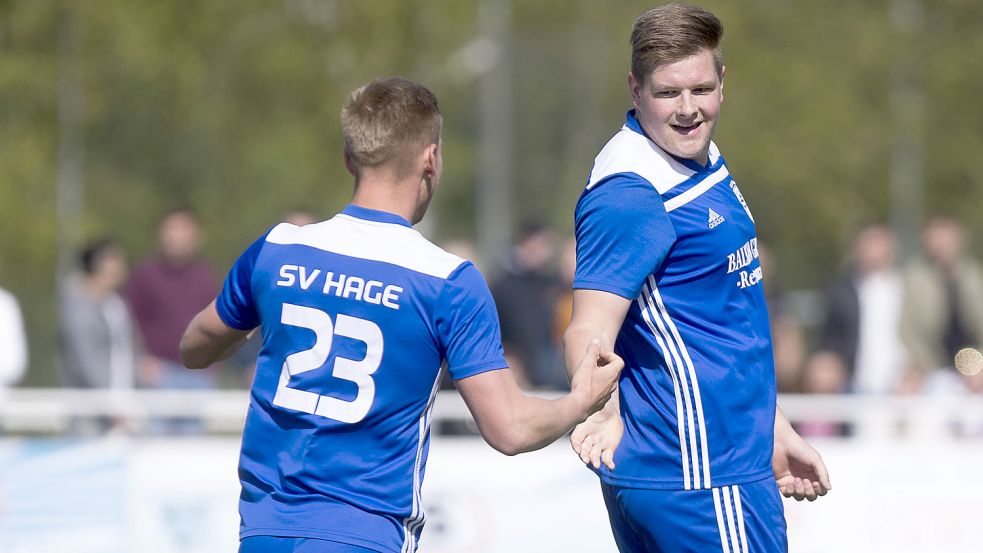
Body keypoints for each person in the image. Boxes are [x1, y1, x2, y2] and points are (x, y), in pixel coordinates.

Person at [179, 77, 623, 553]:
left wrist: (253, 325)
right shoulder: (447, 280)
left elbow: (193, 347)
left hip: (265, 532)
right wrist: (582, 402)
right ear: (430, 159)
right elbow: (510, 429)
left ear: (350, 158)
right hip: (365, 535)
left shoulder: (279, 249)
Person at [561, 5, 830, 552]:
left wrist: (772, 429)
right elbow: (588, 326)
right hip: (700, 477)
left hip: (719, 463)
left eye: (700, 89)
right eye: (667, 93)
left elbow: (719, 320)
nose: (688, 110)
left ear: (722, 82)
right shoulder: (633, 193)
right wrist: (603, 410)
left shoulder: (693, 154)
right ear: (635, 88)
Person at [128, 207, 218, 390]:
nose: (177, 236)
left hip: (199, 373)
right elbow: (129, 322)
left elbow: (218, 322)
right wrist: (141, 359)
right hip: (158, 373)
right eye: (172, 229)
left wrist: (214, 364)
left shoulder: (206, 275)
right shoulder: (146, 274)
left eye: (183, 229)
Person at [59, 239, 140, 434]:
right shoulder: (79, 309)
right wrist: (111, 404)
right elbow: (86, 362)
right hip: (91, 411)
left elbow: (130, 350)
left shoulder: (116, 305)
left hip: (124, 406)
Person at [900, 216, 983, 389]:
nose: (940, 246)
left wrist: (973, 366)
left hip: (972, 368)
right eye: (934, 239)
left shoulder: (975, 277)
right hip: (929, 368)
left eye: (945, 238)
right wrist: (927, 367)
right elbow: (908, 330)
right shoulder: (915, 279)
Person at [491, 220, 567, 390]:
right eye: (532, 246)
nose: (536, 252)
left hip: (553, 377)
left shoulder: (556, 285)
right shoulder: (503, 287)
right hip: (514, 376)